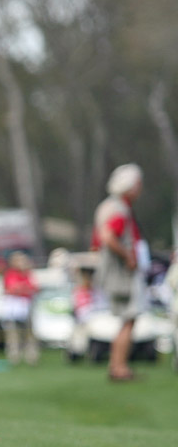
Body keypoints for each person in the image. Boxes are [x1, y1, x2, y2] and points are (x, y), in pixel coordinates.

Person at [92, 163, 147, 381]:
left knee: (126, 319)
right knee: (129, 319)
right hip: (121, 274)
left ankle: (118, 365)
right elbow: (107, 237)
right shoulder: (119, 209)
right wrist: (128, 256)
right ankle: (119, 367)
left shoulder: (109, 206)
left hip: (114, 272)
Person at [2, 251, 40, 365]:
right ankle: (14, 356)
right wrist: (22, 288)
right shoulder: (10, 274)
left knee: (29, 333)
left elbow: (34, 287)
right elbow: (12, 289)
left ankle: (31, 357)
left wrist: (22, 288)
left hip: (26, 306)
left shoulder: (27, 274)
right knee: (13, 333)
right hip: (14, 308)